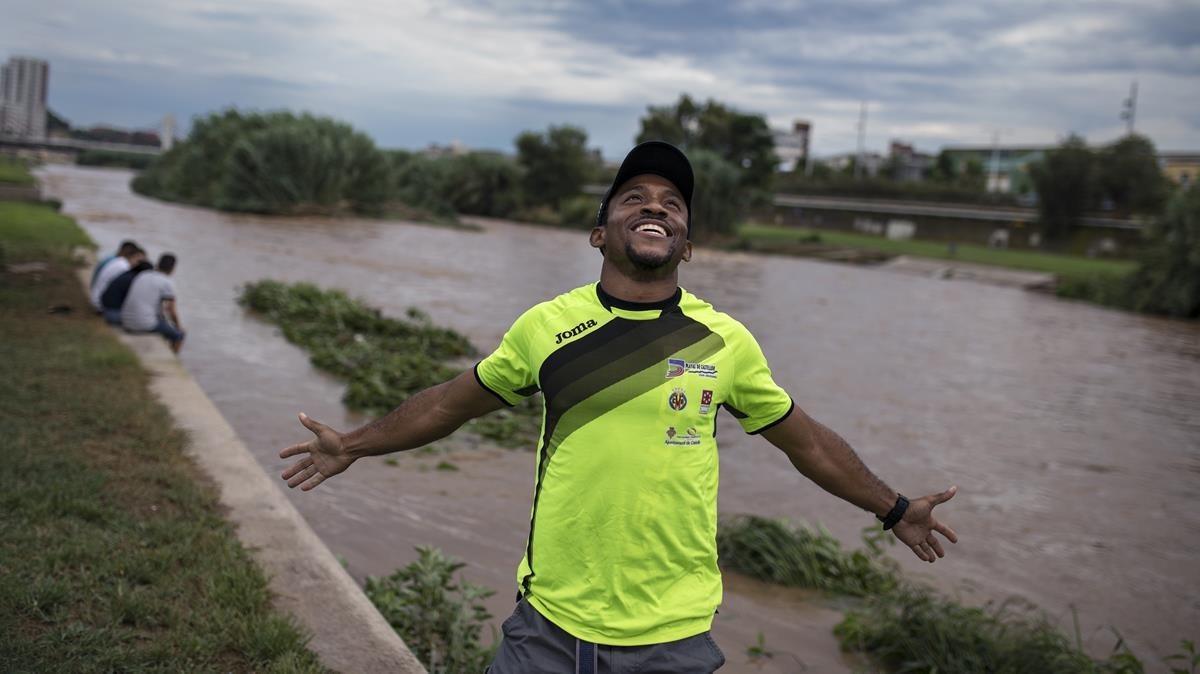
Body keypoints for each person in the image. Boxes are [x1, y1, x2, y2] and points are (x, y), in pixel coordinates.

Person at [278, 141, 958, 673]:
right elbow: (449, 406)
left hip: (673, 640)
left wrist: (894, 508)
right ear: (600, 233)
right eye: (633, 197)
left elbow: (806, 443)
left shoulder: (726, 342)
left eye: (671, 202)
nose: (654, 206)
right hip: (546, 628)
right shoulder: (544, 327)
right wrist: (354, 444)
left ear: (687, 243)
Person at [121, 253, 185, 353]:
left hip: (125, 320)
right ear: (173, 268)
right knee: (179, 335)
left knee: (162, 322)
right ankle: (173, 357)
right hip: (143, 324)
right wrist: (178, 327)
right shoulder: (167, 282)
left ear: (158, 264)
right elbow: (171, 310)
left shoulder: (143, 274)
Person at [90, 243, 145, 312]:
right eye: (139, 261)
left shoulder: (119, 261)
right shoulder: (124, 267)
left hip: (97, 298)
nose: (140, 265)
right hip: (101, 304)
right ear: (133, 256)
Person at [100, 259, 153, 325]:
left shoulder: (127, 274)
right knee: (143, 321)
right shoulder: (133, 281)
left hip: (105, 308)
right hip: (112, 314)